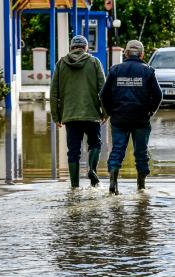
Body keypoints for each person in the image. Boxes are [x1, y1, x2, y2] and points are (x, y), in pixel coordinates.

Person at [100, 40, 163, 194]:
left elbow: (103, 95)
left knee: (117, 150)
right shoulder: (148, 71)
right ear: (142, 54)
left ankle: (113, 182)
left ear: (126, 53)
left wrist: (110, 112)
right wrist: (150, 111)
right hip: (141, 119)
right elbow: (158, 95)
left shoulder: (115, 70)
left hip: (119, 118)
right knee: (141, 153)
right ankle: (141, 187)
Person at [49, 35, 107, 188]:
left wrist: (56, 116)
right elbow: (103, 89)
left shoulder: (61, 63)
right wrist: (105, 112)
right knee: (95, 144)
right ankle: (92, 170)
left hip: (70, 115)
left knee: (73, 151)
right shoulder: (94, 62)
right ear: (86, 48)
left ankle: (74, 186)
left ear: (71, 47)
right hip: (91, 113)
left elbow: (53, 92)